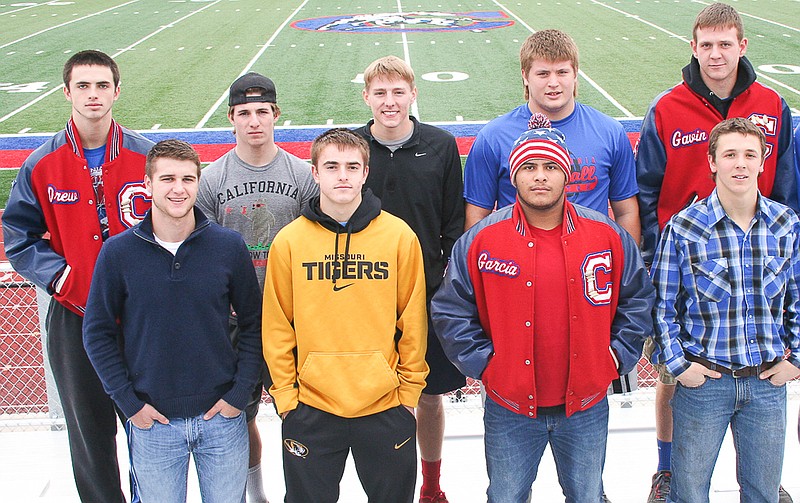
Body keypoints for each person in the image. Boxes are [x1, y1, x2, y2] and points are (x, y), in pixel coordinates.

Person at [431, 114, 654, 502]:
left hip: (584, 405)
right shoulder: (481, 240)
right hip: (510, 407)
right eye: (529, 167)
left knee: (586, 495)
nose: (540, 177)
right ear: (514, 175)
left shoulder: (606, 235)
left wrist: (614, 358)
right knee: (506, 496)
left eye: (550, 166)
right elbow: (451, 310)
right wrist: (486, 365)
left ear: (567, 174)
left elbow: (637, 300)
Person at [635, 4, 798, 500]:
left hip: (758, 250)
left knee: (761, 476)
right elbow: (646, 189)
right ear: (693, 47)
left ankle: (762, 476)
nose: (716, 54)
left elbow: (788, 182)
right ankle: (669, 469)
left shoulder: (772, 103)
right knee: (673, 375)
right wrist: (654, 252)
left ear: (742, 47)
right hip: (687, 261)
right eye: (706, 44)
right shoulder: (667, 107)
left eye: (725, 44)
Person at [2, 50, 153, 502]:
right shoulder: (41, 164)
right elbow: (19, 235)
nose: (93, 95)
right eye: (83, 86)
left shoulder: (145, 155)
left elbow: (181, 222)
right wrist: (60, 277)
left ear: (117, 91)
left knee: (148, 425)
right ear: (67, 92)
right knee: (89, 434)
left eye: (102, 85)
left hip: (141, 317)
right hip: (75, 315)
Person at [82, 139, 263, 502]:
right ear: (147, 185)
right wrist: (129, 404)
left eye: (187, 179)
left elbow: (254, 325)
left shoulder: (228, 246)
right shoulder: (118, 253)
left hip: (222, 420)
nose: (178, 189)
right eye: (167, 179)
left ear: (198, 183)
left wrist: (240, 394)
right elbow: (97, 333)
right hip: (153, 425)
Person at [262, 128, 429, 503]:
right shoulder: (289, 241)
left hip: (385, 405)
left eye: (352, 166)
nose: (343, 175)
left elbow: (413, 322)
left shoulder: (399, 236)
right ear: (315, 173)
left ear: (365, 173)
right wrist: (287, 399)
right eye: (332, 166)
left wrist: (408, 394)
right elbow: (276, 327)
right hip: (311, 407)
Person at [650, 118, 800, 502]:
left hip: (766, 385)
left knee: (763, 493)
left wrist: (796, 359)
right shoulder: (684, 228)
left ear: (763, 161)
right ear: (712, 161)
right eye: (730, 154)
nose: (741, 164)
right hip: (706, 385)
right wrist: (680, 367)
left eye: (750, 154)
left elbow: (797, 299)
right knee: (690, 492)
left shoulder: (786, 225)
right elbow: (663, 306)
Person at [196, 71, 318, 503]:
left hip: (291, 318)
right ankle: (256, 495)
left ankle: (302, 494)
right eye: (244, 113)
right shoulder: (211, 180)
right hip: (236, 320)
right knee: (236, 417)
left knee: (301, 417)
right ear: (231, 118)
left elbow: (315, 247)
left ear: (276, 115)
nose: (254, 121)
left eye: (262, 112)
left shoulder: (303, 175)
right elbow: (204, 255)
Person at [354, 55, 465, 503]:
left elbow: (453, 226)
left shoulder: (439, 145)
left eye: (398, 91)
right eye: (379, 92)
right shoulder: (352, 148)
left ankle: (431, 485)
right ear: (366, 96)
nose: (389, 101)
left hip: (426, 294)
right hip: (363, 295)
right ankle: (382, 486)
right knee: (369, 396)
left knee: (429, 395)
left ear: (413, 94)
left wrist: (443, 288)